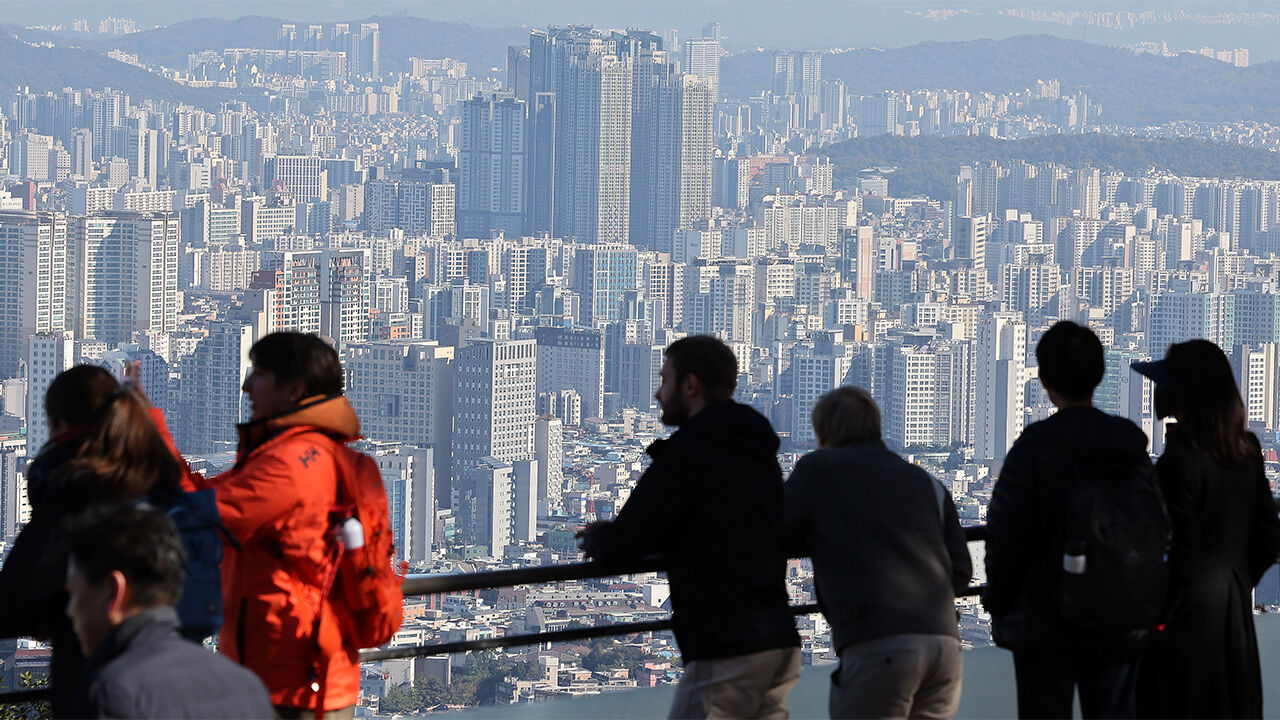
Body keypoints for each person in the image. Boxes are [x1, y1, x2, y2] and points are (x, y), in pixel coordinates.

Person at [577, 335, 801, 719]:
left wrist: (598, 537)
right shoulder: (757, 451)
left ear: (690, 385)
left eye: (664, 380)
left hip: (726, 648)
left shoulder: (689, 452)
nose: (657, 394)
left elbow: (629, 539)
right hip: (777, 640)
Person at [984, 321, 1156, 719]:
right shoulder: (1128, 446)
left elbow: (1005, 538)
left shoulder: (1034, 450)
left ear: (1043, 379)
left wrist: (1000, 603)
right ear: (1099, 375)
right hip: (1120, 612)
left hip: (1045, 622)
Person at [0, 365, 184, 716]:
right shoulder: (160, 482)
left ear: (60, 427)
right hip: (177, 680)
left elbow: (13, 602)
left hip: (100, 690)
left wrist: (57, 609)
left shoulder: (79, 492)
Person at [197, 332, 364, 718]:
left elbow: (202, 513)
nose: (247, 385)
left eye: (260, 374)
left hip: (295, 682)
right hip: (295, 672)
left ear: (294, 390)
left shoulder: (291, 464)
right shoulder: (299, 451)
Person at [784, 386, 971, 719]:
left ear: (824, 434)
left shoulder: (819, 471)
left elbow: (775, 532)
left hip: (878, 643)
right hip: (944, 648)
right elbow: (961, 571)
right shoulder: (926, 482)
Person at [1132, 340, 1280, 718]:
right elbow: (1267, 538)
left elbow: (1177, 549)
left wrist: (1160, 615)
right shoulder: (1245, 451)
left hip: (1184, 627)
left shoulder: (1179, 461)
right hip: (1233, 621)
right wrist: (1236, 579)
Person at [63, 503, 273, 718]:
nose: (70, 611)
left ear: (114, 592)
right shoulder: (248, 685)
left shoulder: (112, 691)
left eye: (73, 594)